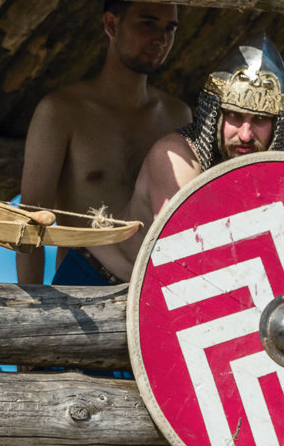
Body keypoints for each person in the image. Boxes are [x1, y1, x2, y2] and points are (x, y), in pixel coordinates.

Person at [18, 0, 190, 286]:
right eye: (147, 23)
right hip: (85, 283)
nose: (160, 38)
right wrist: (30, 307)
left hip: (156, 285)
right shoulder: (60, 112)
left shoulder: (177, 115)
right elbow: (30, 221)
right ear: (111, 24)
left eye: (169, 28)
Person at [117, 33, 284, 280]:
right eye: (235, 116)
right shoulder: (176, 159)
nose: (246, 135)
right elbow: (193, 257)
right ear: (215, 114)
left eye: (259, 120)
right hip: (96, 282)